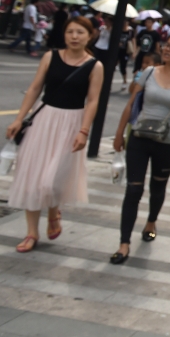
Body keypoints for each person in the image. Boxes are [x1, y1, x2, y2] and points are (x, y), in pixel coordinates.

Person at [4, 17, 104, 252]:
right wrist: (19, 118)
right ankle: (31, 233)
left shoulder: (94, 66)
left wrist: (84, 130)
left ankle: (53, 210)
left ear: (90, 36)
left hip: (71, 123)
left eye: (80, 32)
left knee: (53, 180)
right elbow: (35, 88)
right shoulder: (51, 57)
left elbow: (93, 101)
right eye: (70, 31)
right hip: (43, 120)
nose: (74, 36)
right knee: (33, 177)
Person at [110, 31, 170, 265]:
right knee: (133, 190)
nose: (167, 49)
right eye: (166, 45)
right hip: (138, 138)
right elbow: (131, 104)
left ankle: (151, 221)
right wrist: (119, 134)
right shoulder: (148, 72)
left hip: (168, 144)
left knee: (157, 188)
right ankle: (124, 243)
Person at [117, 20, 135, 91]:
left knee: (123, 67)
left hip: (125, 51)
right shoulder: (118, 29)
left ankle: (124, 81)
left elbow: (133, 40)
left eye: (126, 22)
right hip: (117, 50)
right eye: (123, 22)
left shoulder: (130, 31)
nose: (124, 24)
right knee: (112, 66)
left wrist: (134, 51)